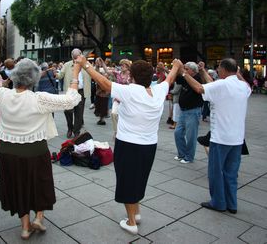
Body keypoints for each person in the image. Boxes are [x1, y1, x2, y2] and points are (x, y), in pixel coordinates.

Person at [0, 58, 81, 240]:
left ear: (15, 77)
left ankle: (25, 227)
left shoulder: (2, 95)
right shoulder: (39, 99)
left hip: (8, 151)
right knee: (40, 183)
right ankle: (39, 217)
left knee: (17, 185)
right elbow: (70, 100)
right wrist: (75, 74)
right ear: (33, 79)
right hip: (35, 150)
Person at [76, 55, 181, 235]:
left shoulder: (130, 91)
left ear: (132, 76)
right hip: (149, 146)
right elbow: (170, 78)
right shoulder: (158, 91)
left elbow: (104, 82)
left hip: (128, 145)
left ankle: (131, 221)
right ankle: (137, 212)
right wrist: (176, 65)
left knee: (126, 181)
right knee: (140, 178)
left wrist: (85, 64)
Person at [182, 58, 251, 214]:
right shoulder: (243, 87)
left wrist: (183, 73)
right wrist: (203, 71)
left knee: (215, 172)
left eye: (219, 68)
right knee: (231, 173)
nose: (218, 70)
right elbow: (212, 85)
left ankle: (219, 202)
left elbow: (200, 88)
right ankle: (232, 204)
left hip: (221, 137)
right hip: (237, 138)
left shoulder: (223, 85)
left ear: (224, 70)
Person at [56, 48, 91, 138]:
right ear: (72, 56)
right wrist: (55, 74)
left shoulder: (86, 64)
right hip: (70, 92)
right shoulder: (67, 65)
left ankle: (76, 131)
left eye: (77, 56)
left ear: (81, 55)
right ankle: (70, 128)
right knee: (68, 111)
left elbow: (94, 73)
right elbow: (60, 76)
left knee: (79, 113)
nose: (76, 58)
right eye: (74, 57)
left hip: (81, 92)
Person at [173, 62, 203, 164]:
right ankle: (181, 153)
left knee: (191, 136)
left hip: (193, 111)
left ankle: (189, 157)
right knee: (178, 133)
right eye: (184, 68)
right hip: (183, 111)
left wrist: (183, 71)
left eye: (186, 69)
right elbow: (177, 79)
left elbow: (198, 88)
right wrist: (177, 68)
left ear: (193, 70)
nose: (184, 71)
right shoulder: (185, 77)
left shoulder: (198, 78)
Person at [94, 57, 110, 125]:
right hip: (99, 90)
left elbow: (107, 74)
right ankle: (101, 118)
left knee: (103, 105)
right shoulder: (97, 69)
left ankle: (102, 118)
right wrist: (97, 65)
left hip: (105, 91)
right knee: (99, 104)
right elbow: (95, 73)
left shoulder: (108, 69)